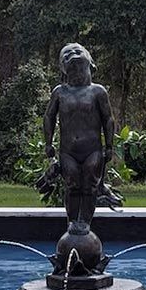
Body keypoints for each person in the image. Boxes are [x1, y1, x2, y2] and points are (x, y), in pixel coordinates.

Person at [42, 43, 117, 227]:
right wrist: (48, 143)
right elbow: (49, 116)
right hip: (68, 152)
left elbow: (108, 119)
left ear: (90, 60)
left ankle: (85, 223)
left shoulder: (98, 91)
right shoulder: (59, 92)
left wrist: (109, 145)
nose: (72, 55)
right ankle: (72, 222)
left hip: (93, 150)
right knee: (72, 184)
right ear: (62, 68)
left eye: (77, 52)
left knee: (90, 185)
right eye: (66, 56)